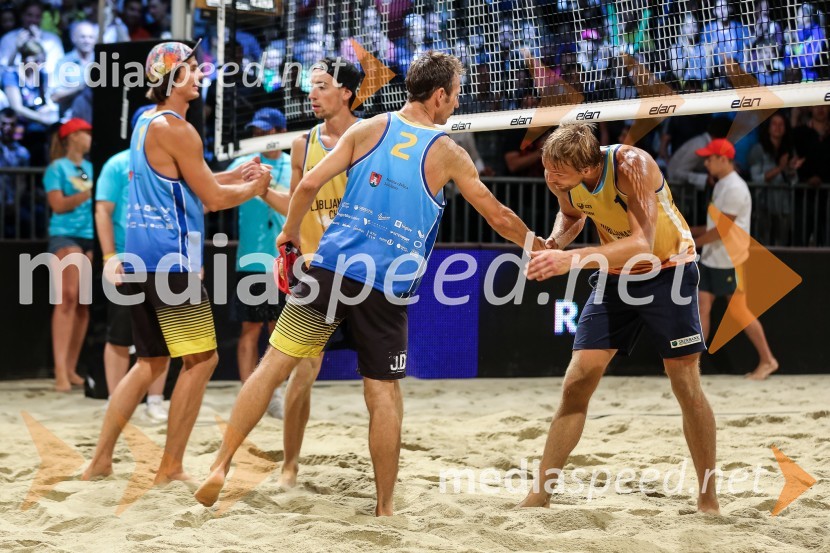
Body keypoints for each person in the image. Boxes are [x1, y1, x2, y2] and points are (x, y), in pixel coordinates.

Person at [195, 51, 545, 516]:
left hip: (330, 266)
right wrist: (538, 245)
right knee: (382, 392)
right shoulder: (448, 152)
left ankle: (220, 465)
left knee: (273, 366)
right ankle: (383, 508)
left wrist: (288, 232)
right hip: (384, 285)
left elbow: (306, 187)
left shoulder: (369, 128)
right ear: (439, 96)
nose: (456, 105)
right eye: (456, 96)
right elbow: (498, 216)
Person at [82, 40, 271, 483]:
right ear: (172, 78)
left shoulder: (143, 120)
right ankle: (169, 468)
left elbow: (190, 181)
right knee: (201, 361)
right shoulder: (179, 130)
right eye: (192, 66)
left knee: (150, 362)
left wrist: (236, 175)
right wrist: (256, 188)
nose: (201, 71)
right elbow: (211, 197)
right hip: (173, 264)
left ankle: (100, 460)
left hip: (143, 260)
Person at [518, 123, 720, 514]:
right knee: (577, 382)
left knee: (685, 385)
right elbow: (572, 216)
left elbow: (641, 242)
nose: (549, 176)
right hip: (615, 278)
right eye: (547, 167)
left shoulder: (632, 165)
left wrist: (567, 260)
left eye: (557, 170)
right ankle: (539, 495)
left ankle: (707, 498)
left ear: (588, 167)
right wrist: (557, 241)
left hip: (668, 271)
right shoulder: (562, 178)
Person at [272, 58, 362, 490]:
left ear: (346, 92)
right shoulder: (301, 145)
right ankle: (290, 464)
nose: (312, 93)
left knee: (381, 377)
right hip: (314, 272)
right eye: (311, 86)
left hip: (362, 269)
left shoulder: (370, 138)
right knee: (302, 371)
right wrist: (261, 193)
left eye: (322, 86)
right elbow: (296, 205)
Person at [693, 138, 779, 381]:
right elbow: (714, 226)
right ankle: (693, 365)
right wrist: (689, 231)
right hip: (713, 258)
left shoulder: (734, 188)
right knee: (703, 308)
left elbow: (721, 231)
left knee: (739, 312)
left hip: (730, 260)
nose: (706, 162)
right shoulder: (722, 184)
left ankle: (768, 360)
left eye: (710, 158)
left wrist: (691, 242)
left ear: (723, 159)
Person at [95, 146, 169, 421]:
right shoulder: (118, 163)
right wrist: (109, 256)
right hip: (126, 259)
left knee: (162, 333)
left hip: (164, 258)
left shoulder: (169, 159)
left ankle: (155, 400)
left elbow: (193, 206)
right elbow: (103, 210)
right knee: (119, 333)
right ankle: (116, 401)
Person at [231, 107, 291, 384]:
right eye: (256, 130)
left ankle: (272, 389)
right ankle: (247, 389)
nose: (258, 134)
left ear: (280, 132)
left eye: (264, 130)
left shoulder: (295, 165)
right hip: (251, 260)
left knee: (279, 331)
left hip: (284, 261)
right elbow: (218, 194)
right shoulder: (243, 164)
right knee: (250, 329)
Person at [45, 118, 93, 392]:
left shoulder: (91, 168)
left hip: (89, 237)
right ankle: (60, 370)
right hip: (64, 235)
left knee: (83, 303)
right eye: (85, 133)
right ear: (72, 136)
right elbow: (58, 205)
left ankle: (72, 368)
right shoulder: (57, 168)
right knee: (67, 298)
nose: (89, 137)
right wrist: (88, 194)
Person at [748, 113, 803, 246]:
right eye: (774, 124)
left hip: (783, 206)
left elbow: (794, 181)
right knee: (763, 244)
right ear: (768, 128)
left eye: (781, 124)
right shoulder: (758, 150)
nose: (777, 128)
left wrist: (791, 170)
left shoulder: (789, 150)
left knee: (781, 245)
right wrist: (780, 168)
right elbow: (756, 179)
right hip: (763, 206)